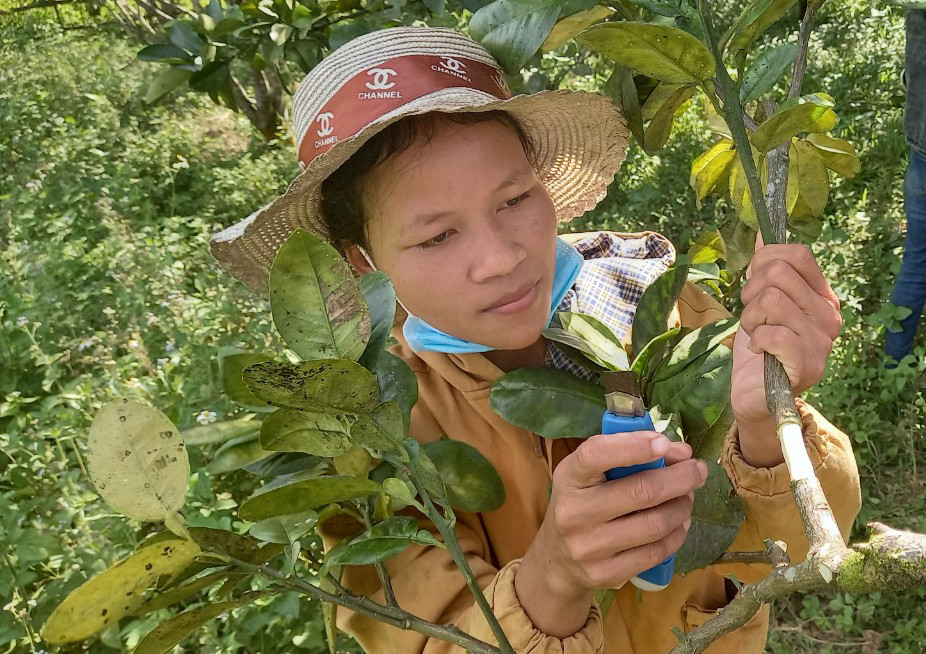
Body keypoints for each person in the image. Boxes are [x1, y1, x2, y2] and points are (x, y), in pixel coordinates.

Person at [210, 26, 861, 654]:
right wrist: (553, 577)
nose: (499, 258)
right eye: (438, 236)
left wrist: (765, 428)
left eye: (515, 198)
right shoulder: (378, 443)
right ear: (362, 262)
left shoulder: (659, 303)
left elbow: (805, 551)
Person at [885, 9, 926, 363]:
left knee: (917, 257)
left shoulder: (919, 13)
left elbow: (909, 77)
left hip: (921, 150)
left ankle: (892, 361)